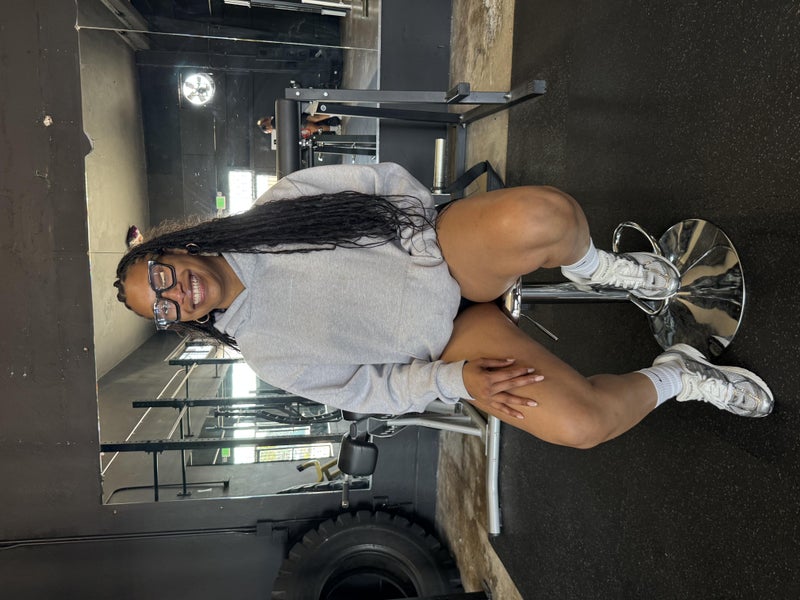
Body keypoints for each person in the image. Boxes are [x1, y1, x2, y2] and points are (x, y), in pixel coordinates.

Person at [113, 163, 773, 449]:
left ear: (177, 246)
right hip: (450, 343)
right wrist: (455, 380)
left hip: (444, 253)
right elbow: (372, 391)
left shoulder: (278, 207)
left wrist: (427, 245)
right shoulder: (268, 356)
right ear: (178, 323)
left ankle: (606, 272)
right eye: (162, 309)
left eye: (160, 276)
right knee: (580, 426)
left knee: (543, 217)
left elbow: (385, 187)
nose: (175, 295)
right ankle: (682, 374)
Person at [257, 114, 342, 139]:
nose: (269, 132)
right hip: (298, 119)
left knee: (317, 127)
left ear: (267, 127)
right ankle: (335, 115)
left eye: (268, 131)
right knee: (316, 120)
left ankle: (336, 128)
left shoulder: (275, 125)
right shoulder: (276, 116)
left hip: (300, 124)